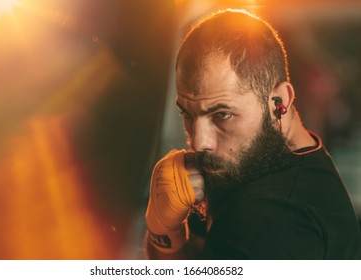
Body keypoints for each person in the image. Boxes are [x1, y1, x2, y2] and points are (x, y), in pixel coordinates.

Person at [144, 9, 361, 259]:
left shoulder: (268, 223)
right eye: (188, 114)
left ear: (280, 102)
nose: (199, 141)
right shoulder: (265, 161)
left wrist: (163, 235)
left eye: (222, 115)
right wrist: (167, 234)